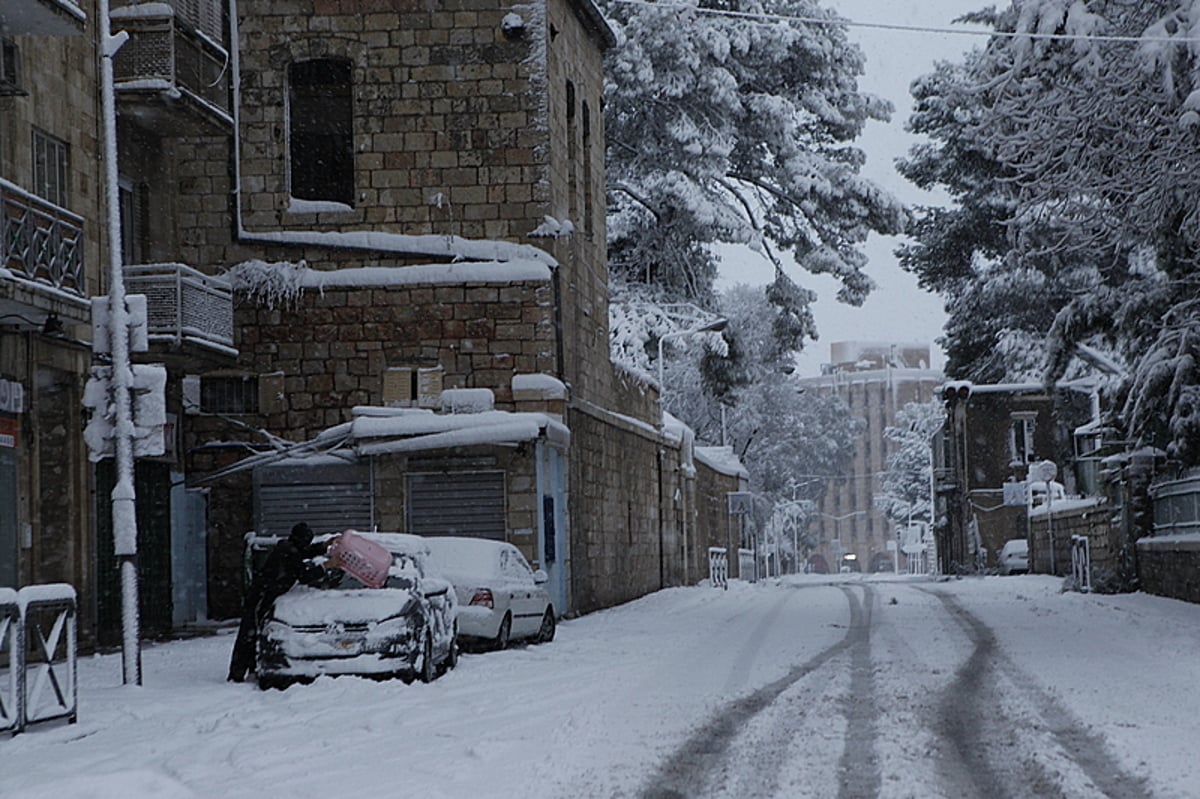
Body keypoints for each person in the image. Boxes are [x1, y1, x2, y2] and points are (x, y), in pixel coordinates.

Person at [227, 522, 330, 683]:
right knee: (249, 634)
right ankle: (237, 674)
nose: (308, 544)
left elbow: (303, 552)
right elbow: (304, 575)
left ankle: (249, 667)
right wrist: (327, 566)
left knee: (253, 633)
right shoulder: (289, 551)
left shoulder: (288, 547)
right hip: (260, 598)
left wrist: (324, 546)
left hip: (262, 595)